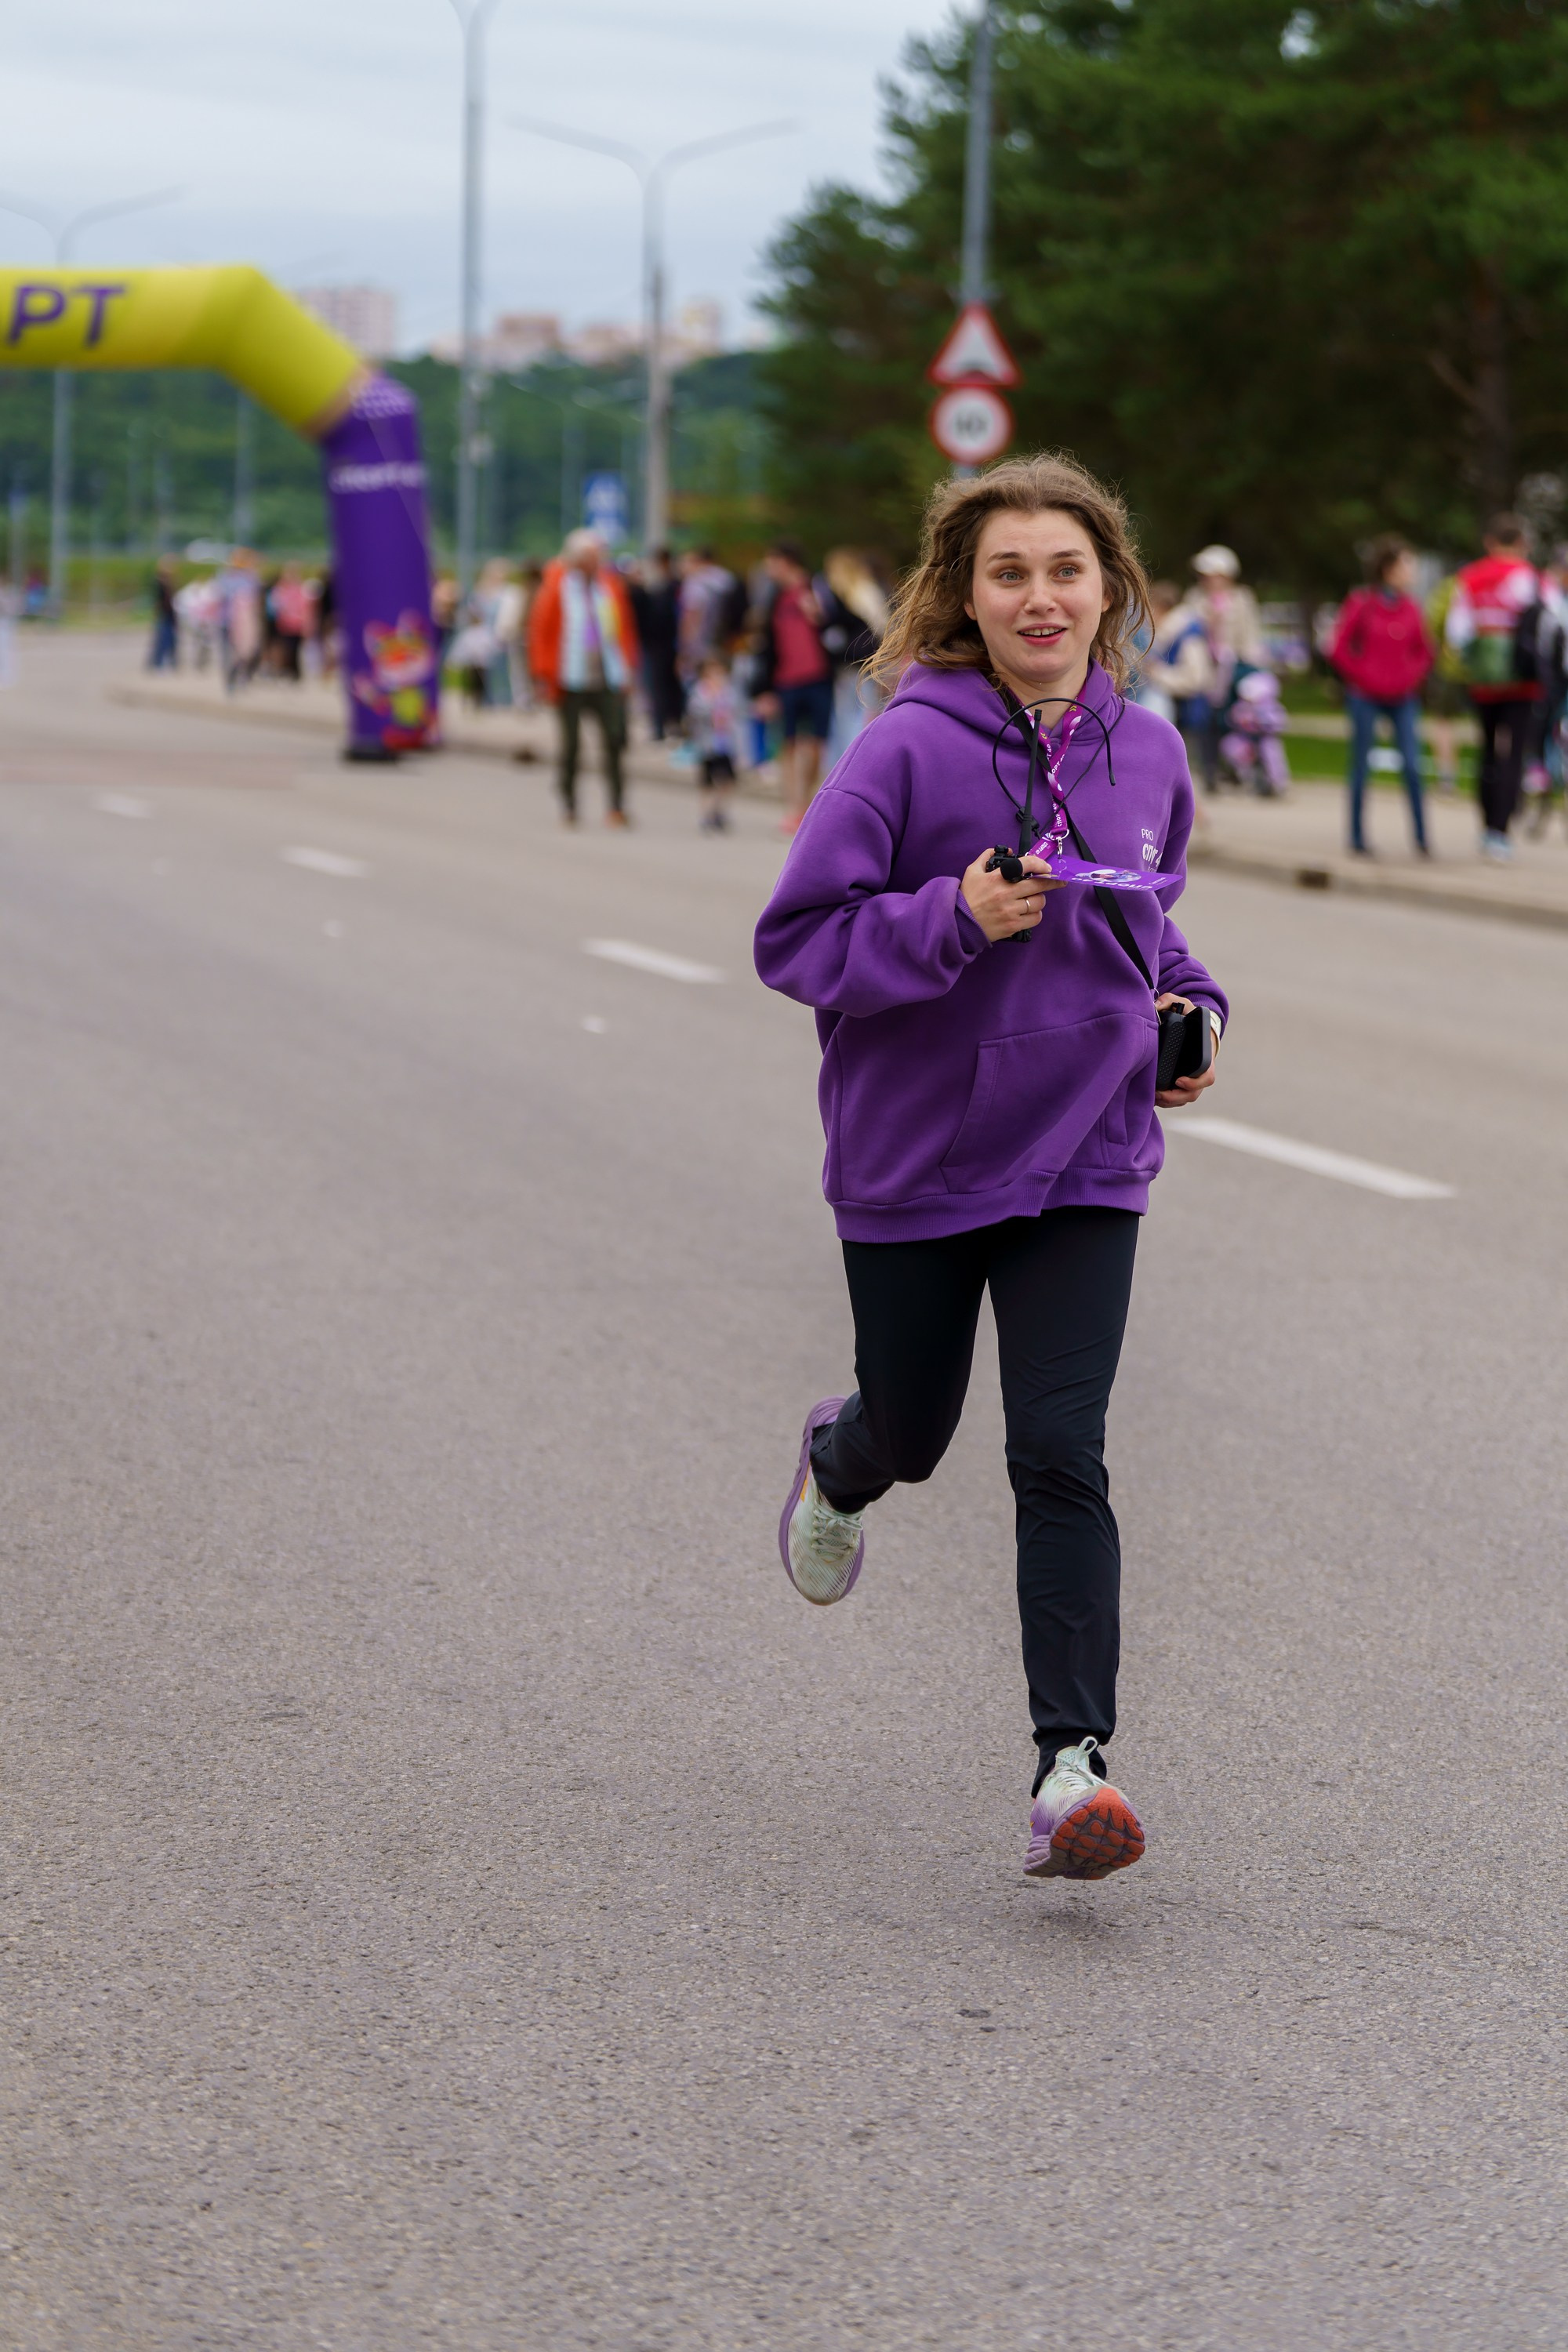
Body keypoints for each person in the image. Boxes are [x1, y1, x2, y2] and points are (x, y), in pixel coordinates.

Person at [753, 452, 1227, 1886]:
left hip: (1089, 1153)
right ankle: (841, 1460)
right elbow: (798, 939)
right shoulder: (905, 748)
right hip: (920, 1155)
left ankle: (1070, 1770)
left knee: (1061, 1450)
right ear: (967, 592)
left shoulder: (1147, 753)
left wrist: (1191, 1019)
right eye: (1009, 571)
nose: (1040, 595)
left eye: (1066, 570)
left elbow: (1161, 931)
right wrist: (949, 920)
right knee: (917, 1429)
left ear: (1110, 589)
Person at [1328, 535, 1434, 856]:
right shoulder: (1362, 603)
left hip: (1403, 697)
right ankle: (1358, 837)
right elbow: (1339, 648)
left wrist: (1410, 677)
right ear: (1389, 568)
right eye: (1406, 564)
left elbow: (1424, 651)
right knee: (1361, 764)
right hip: (1365, 696)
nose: (1411, 571)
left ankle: (1421, 837)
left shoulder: (1412, 608)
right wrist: (1363, 675)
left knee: (1413, 765)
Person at [527, 528, 640, 828]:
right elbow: (540, 632)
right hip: (569, 677)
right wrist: (541, 675)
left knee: (615, 740)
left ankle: (616, 805)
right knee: (571, 745)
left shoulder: (610, 586)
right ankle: (569, 803)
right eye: (591, 556)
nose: (597, 561)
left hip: (607, 675)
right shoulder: (557, 587)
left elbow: (624, 630)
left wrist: (629, 668)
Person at [1446, 514, 1541, 860]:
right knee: (1513, 753)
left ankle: (1486, 825)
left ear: (1490, 542)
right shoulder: (1526, 576)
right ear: (1521, 544)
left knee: (1487, 751)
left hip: (1483, 679)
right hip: (1520, 681)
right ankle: (1501, 830)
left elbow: (1457, 632)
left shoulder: (1469, 577)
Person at [753, 539, 834, 833]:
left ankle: (807, 802)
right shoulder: (774, 598)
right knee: (786, 745)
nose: (768, 568)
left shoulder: (819, 590)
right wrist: (762, 689)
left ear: (787, 562)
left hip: (818, 677)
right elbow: (765, 646)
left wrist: (820, 617)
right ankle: (794, 808)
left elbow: (842, 626)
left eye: (772, 561)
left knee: (816, 745)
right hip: (785, 681)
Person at [629, 548, 684, 740]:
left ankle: (664, 725)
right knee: (664, 687)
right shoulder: (670, 586)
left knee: (660, 686)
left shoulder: (669, 587)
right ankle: (666, 725)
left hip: (661, 645)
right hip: (663, 644)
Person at [686, 652, 739, 831]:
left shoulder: (729, 692)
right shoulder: (700, 692)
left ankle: (720, 811)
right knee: (707, 782)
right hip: (708, 746)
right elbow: (696, 712)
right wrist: (713, 702)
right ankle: (706, 813)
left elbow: (737, 711)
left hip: (725, 745)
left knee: (727, 780)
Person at [147, 556, 179, 670]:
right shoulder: (160, 583)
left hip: (170, 615)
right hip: (164, 615)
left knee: (170, 640)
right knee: (162, 640)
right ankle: (157, 663)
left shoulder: (169, 583)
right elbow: (160, 601)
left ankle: (169, 662)